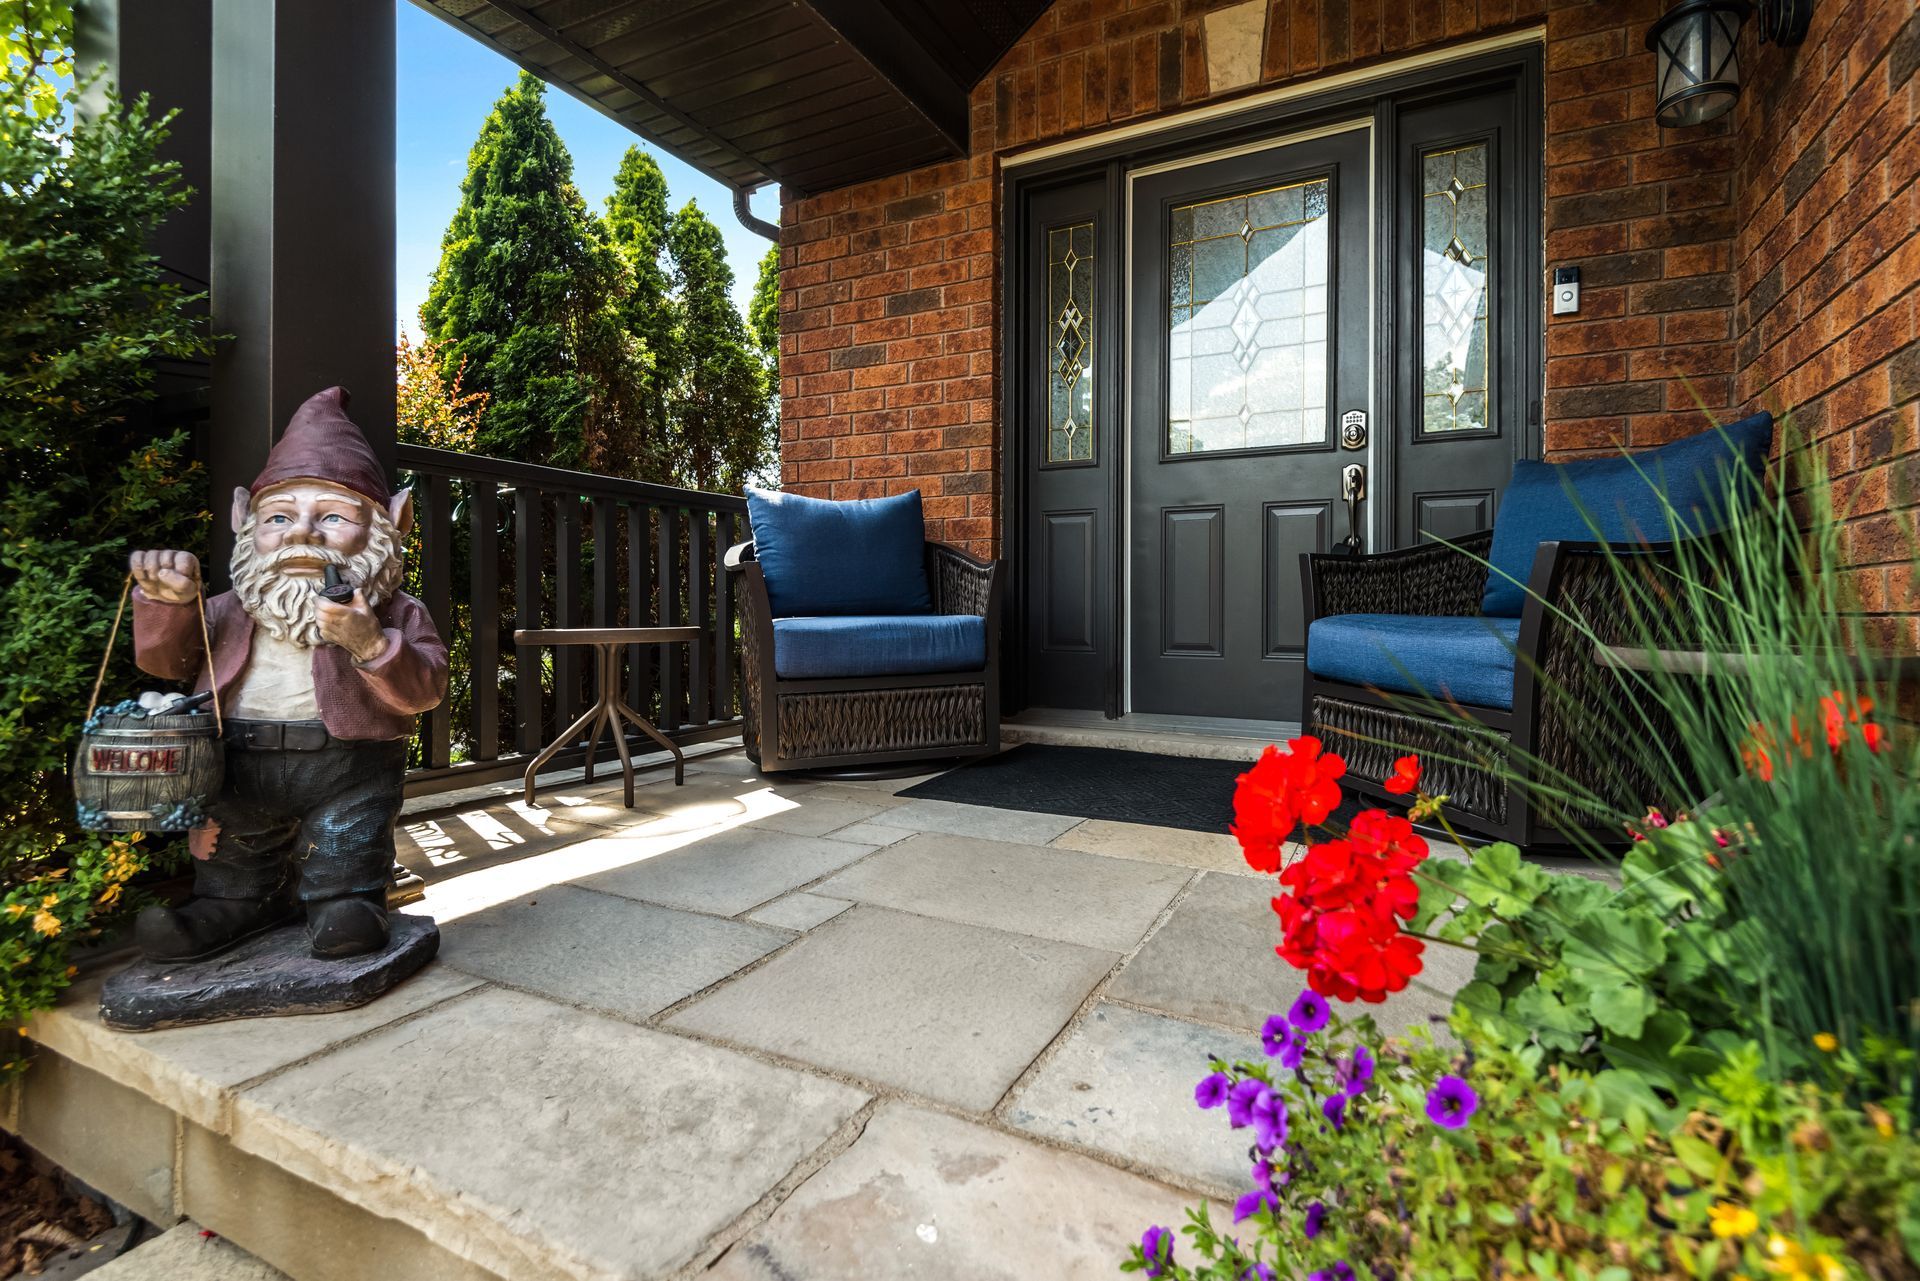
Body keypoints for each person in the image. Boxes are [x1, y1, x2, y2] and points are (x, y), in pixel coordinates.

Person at [127, 387, 447, 961]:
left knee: (348, 854)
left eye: (332, 516)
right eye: (279, 516)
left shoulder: (397, 611)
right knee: (232, 857)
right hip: (236, 766)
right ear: (244, 520)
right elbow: (163, 666)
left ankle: (348, 902)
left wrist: (370, 642)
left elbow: (425, 691)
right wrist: (169, 606)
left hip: (349, 769)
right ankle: (231, 905)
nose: (302, 532)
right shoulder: (225, 609)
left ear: (389, 524)